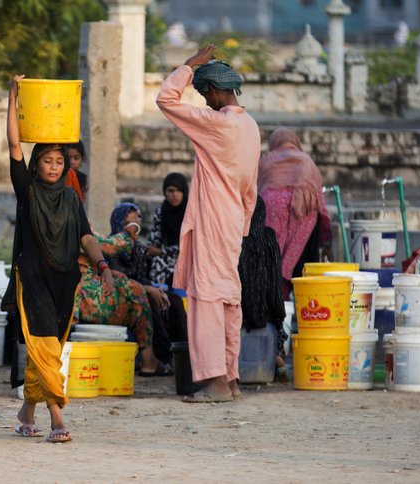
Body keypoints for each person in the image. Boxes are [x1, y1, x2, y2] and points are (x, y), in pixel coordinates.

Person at [3, 75, 113, 444]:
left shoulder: (70, 197)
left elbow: (85, 236)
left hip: (65, 280)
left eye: (59, 161)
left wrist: (102, 265)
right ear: (36, 165)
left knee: (47, 349)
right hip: (33, 278)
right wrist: (13, 95)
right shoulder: (27, 191)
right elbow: (14, 144)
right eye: (47, 160)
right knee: (45, 346)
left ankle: (27, 410)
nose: (53, 166)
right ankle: (56, 416)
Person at [156, 44, 259, 403]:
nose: (205, 103)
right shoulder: (250, 126)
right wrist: (242, 225)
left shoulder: (218, 124)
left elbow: (166, 100)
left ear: (214, 91)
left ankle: (216, 380)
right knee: (228, 298)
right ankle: (231, 379)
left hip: (214, 219)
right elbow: (251, 186)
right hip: (232, 221)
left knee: (207, 298)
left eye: (204, 95)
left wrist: (188, 65)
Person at [75, 223, 170, 376]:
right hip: (83, 295)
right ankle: (148, 360)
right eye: (131, 216)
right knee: (137, 292)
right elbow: (109, 245)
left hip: (76, 287)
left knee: (135, 287)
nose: (137, 218)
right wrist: (130, 231)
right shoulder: (76, 222)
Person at [107, 203, 186, 371]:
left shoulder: (138, 248)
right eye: (130, 220)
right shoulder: (110, 246)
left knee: (174, 301)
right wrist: (148, 289)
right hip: (120, 293)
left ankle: (184, 354)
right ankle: (161, 356)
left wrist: (157, 290)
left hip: (140, 289)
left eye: (138, 218)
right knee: (150, 299)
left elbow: (142, 275)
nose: (136, 222)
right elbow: (118, 278)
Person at [258, 127, 332, 299]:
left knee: (272, 255)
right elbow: (321, 205)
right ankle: (299, 299)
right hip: (303, 214)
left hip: (271, 208)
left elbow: (253, 191)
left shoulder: (266, 159)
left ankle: (277, 300)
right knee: (293, 259)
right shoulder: (306, 160)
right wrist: (326, 240)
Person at [238, 196, 287, 371]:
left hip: (240, 315)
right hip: (268, 314)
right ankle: (276, 356)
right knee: (276, 322)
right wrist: (277, 313)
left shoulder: (235, 238)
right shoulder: (269, 237)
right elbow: (275, 280)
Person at [148, 173, 189, 288]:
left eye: (179, 190)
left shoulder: (190, 212)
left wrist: (161, 251)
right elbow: (153, 241)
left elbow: (189, 245)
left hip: (188, 257)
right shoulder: (161, 211)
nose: (175, 195)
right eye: (170, 191)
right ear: (164, 192)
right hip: (167, 259)